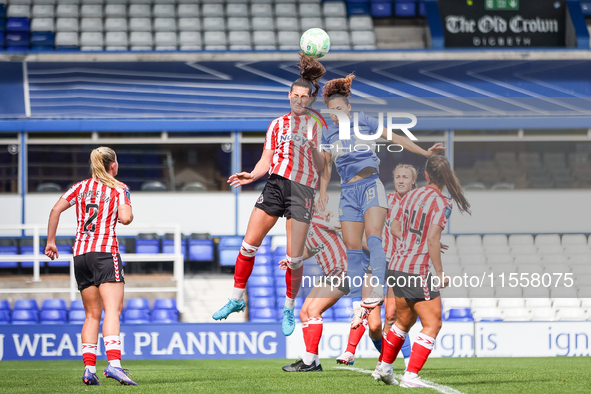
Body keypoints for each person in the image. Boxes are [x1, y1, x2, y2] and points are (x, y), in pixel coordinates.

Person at [212, 54, 327, 337]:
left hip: (302, 191)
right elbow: (267, 159)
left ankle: (288, 308)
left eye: (304, 97)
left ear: (310, 101)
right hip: (275, 184)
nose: (299, 100)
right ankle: (237, 299)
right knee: (248, 244)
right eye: (295, 95)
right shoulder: (276, 125)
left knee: (294, 257)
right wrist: (252, 174)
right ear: (289, 96)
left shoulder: (318, 125)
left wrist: (313, 150)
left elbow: (325, 165)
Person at [318, 74, 445, 329]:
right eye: (332, 111)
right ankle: (357, 308)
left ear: (349, 108)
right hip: (348, 192)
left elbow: (396, 138)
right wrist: (322, 191)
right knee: (352, 251)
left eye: (340, 108)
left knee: (374, 236)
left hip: (370, 185)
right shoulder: (327, 132)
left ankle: (377, 286)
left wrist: (425, 153)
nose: (336, 114)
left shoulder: (363, 120)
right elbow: (326, 166)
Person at [44, 146, 136, 386]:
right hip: (105, 252)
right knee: (113, 310)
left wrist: (51, 242)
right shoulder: (119, 188)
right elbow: (125, 218)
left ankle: (89, 369)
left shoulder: (81, 187)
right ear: (113, 165)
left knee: (91, 315)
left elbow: (55, 210)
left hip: (81, 255)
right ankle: (114, 365)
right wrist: (125, 211)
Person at [377, 155, 471, 387]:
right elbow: (432, 239)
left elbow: (396, 226)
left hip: (397, 265)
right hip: (416, 270)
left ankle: (384, 367)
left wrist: (410, 242)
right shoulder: (442, 203)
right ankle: (410, 376)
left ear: (426, 175)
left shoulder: (409, 196)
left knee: (403, 321)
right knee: (433, 324)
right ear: (445, 177)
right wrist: (439, 273)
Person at [337, 165, 418, 370]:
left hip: (400, 267)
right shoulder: (383, 200)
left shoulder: (419, 205)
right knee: (373, 325)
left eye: (405, 177)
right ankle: (368, 354)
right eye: (397, 176)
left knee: (392, 316)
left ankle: (402, 362)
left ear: (413, 182)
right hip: (376, 265)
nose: (400, 180)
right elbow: (364, 231)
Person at [281, 207, 348, 372]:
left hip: (343, 270)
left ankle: (308, 359)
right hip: (329, 273)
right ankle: (314, 363)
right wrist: (292, 260)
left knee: (313, 310)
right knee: (304, 312)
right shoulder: (305, 228)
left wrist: (339, 220)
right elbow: (312, 249)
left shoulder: (319, 219)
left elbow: (343, 223)